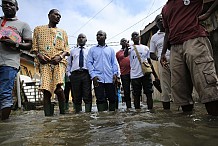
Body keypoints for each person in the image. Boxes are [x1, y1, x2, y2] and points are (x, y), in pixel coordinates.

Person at [161, 0, 218, 115]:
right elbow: (167, 30)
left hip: (194, 40)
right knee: (180, 90)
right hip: (175, 47)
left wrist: (208, 13)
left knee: (207, 87)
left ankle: (213, 126)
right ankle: (188, 128)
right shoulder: (165, 8)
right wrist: (163, 53)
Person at [31, 9, 70, 116]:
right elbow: (34, 47)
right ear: (49, 15)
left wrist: (60, 57)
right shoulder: (38, 29)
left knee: (58, 89)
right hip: (44, 62)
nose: (58, 17)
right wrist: (39, 56)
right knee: (46, 91)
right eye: (56, 14)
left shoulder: (63, 32)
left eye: (60, 16)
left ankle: (63, 113)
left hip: (59, 62)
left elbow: (67, 49)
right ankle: (48, 117)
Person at [0, 0, 32, 120]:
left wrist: (15, 44)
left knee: (4, 92)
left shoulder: (23, 25)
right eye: (5, 3)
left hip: (9, 62)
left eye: (11, 4)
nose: (7, 6)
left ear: (17, 8)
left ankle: (4, 125)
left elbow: (29, 45)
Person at [124, 32, 158, 110]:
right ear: (132, 38)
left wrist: (155, 75)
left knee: (149, 94)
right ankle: (137, 113)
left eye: (137, 35)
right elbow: (125, 55)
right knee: (136, 95)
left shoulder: (145, 48)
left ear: (139, 37)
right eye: (133, 36)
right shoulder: (130, 48)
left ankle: (151, 111)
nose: (135, 37)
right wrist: (126, 47)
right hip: (135, 75)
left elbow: (149, 61)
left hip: (145, 74)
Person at [87, 30, 119, 112]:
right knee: (100, 99)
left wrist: (115, 74)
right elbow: (89, 63)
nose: (98, 36)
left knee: (112, 98)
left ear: (105, 37)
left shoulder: (111, 50)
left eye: (100, 35)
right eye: (97, 35)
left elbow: (114, 63)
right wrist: (93, 76)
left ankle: (111, 119)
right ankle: (102, 119)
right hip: (98, 78)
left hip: (110, 78)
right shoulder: (92, 50)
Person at [150, 14, 171, 110]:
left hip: (176, 59)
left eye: (163, 19)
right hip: (163, 62)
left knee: (179, 84)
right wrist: (159, 58)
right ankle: (167, 112)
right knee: (165, 87)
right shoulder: (154, 38)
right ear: (156, 24)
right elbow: (151, 54)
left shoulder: (172, 30)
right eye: (159, 20)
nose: (161, 21)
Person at [66, 33, 92, 113]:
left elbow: (92, 63)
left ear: (86, 40)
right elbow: (68, 64)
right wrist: (69, 75)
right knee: (76, 96)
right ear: (77, 40)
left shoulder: (89, 51)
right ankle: (78, 114)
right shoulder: (72, 51)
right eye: (79, 37)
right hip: (75, 75)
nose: (81, 39)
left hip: (86, 74)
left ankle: (88, 114)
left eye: (83, 37)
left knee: (87, 95)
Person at [116, 38, 131, 109]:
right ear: (120, 43)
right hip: (124, 74)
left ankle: (137, 107)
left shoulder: (131, 50)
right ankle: (129, 107)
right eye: (122, 41)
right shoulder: (118, 53)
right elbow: (116, 64)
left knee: (136, 90)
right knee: (126, 91)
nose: (124, 42)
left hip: (133, 73)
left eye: (125, 41)